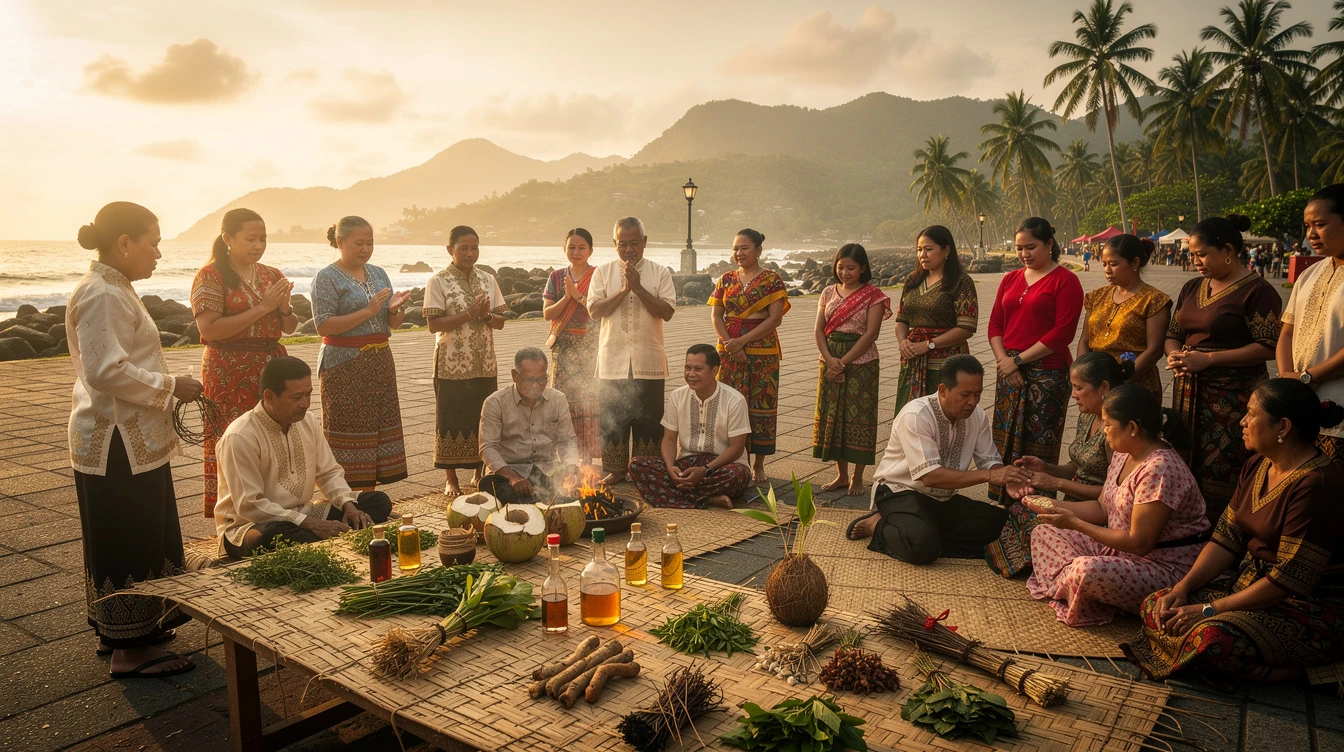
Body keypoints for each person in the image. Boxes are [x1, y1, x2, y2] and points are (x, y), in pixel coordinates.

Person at [1121, 380, 1344, 689]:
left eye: (1251, 414)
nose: (1242, 421)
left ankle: (1309, 674)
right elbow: (1226, 539)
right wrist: (1183, 589)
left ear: (1283, 426)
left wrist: (1207, 610)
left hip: (1308, 606)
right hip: (1251, 586)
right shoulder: (1257, 465)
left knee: (1214, 640)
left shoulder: (1316, 485)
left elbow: (1289, 580)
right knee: (1157, 605)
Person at [68, 202, 203, 678]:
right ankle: (129, 651)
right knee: (128, 538)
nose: (159, 253)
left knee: (139, 535)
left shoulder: (114, 287)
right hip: (117, 441)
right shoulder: (103, 293)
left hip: (129, 437)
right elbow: (106, 371)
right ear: (124, 243)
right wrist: (172, 385)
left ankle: (126, 632)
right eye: (154, 242)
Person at [1025, 385, 1210, 626]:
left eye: (1108, 424)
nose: (1104, 430)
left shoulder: (1159, 469)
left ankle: (1078, 586)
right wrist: (1050, 506)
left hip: (1163, 566)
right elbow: (1103, 508)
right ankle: (1082, 589)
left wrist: (1075, 524)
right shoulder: (1124, 452)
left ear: (1132, 428)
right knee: (1043, 532)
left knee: (1084, 571)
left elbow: (1139, 543)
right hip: (1117, 551)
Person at [846, 355, 1031, 563]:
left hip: (943, 500)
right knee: (921, 546)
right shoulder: (916, 415)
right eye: (965, 395)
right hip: (900, 492)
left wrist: (1007, 478)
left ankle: (926, 531)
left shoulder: (977, 416)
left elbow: (989, 460)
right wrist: (989, 476)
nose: (973, 402)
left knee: (1008, 527)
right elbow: (930, 477)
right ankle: (878, 525)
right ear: (943, 390)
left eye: (977, 394)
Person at [214, 357, 392, 560]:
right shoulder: (240, 436)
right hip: (252, 524)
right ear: (269, 396)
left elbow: (328, 473)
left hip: (305, 514)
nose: (305, 404)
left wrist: (348, 506)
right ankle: (324, 536)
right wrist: (311, 523)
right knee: (272, 536)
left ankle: (321, 536)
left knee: (378, 502)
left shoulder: (308, 421)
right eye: (297, 397)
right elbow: (249, 504)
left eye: (308, 395)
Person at [1165, 214, 1281, 523]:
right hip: (1188, 392)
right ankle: (1187, 527)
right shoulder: (1191, 287)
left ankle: (1227, 531)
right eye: (1192, 254)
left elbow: (1268, 345)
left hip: (1232, 397)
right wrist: (1175, 356)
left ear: (1228, 250)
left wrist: (1209, 360)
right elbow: (1174, 334)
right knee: (1185, 454)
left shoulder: (1257, 291)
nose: (1195, 261)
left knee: (1228, 463)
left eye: (1202, 254)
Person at [190, 208, 296, 518]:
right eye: (250, 239)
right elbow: (209, 329)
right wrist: (263, 307)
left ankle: (279, 509)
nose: (258, 245)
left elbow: (289, 327)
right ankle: (235, 516)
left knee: (274, 435)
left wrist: (284, 307)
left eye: (263, 239)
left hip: (270, 367)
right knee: (234, 439)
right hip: (228, 369)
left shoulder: (272, 274)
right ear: (228, 238)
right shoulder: (211, 275)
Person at [985, 351, 1128, 578]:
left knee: (1036, 522)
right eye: (1073, 387)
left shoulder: (1115, 431)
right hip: (1076, 501)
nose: (1073, 395)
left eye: (1079, 388)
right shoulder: (1088, 416)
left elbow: (1113, 496)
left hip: (1100, 512)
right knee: (1021, 507)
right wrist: (1046, 468)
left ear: (1104, 387)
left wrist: (1056, 483)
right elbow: (1078, 465)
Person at [986, 218, 1085, 504]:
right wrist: (1005, 361)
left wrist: (1017, 361)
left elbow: (1062, 333)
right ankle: (1005, 502)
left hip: (1048, 374)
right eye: (1019, 248)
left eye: (1031, 247)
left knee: (1039, 443)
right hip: (1008, 371)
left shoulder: (1066, 280)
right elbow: (995, 325)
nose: (1024, 254)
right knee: (1005, 437)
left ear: (1049, 244)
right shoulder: (1010, 279)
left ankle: (1038, 505)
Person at [311, 216, 410, 490]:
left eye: (370, 243)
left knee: (378, 426)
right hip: (344, 364)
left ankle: (369, 496)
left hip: (380, 361)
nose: (365, 249)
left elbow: (393, 324)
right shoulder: (326, 277)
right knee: (347, 427)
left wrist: (395, 310)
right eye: (359, 243)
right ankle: (344, 497)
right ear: (340, 242)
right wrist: (368, 311)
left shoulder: (379, 273)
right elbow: (323, 325)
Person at [586, 217, 676, 484]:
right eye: (622, 244)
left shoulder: (660, 272)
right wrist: (625, 291)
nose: (628, 249)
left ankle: (645, 470)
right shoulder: (602, 272)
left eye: (634, 243)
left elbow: (667, 311)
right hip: (612, 360)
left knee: (649, 419)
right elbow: (594, 311)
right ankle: (615, 469)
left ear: (644, 242)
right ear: (614, 244)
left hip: (649, 360)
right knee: (613, 418)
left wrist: (638, 288)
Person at [423, 225, 507, 495]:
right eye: (464, 249)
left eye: (475, 248)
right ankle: (451, 479)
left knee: (484, 418)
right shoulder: (438, 281)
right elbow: (434, 325)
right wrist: (469, 314)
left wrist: (486, 316)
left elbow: (501, 321)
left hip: (485, 362)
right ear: (450, 250)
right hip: (452, 364)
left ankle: (478, 473)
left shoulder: (488, 279)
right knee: (451, 419)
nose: (470, 253)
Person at [710, 228, 790, 482]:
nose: (739, 253)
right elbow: (716, 315)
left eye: (744, 248)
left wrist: (742, 342)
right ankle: (730, 457)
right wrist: (730, 344)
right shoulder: (725, 279)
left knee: (761, 405)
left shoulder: (772, 280)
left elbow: (774, 319)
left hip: (762, 351)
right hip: (728, 349)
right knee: (728, 404)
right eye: (735, 248)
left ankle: (758, 464)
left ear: (758, 250)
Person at [628, 345, 752, 509]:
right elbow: (669, 439)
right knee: (637, 465)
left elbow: (737, 448)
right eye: (687, 368)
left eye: (698, 369)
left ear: (714, 370)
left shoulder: (734, 400)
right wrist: (671, 467)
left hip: (722, 465)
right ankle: (708, 499)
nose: (691, 374)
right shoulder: (677, 396)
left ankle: (674, 494)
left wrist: (705, 470)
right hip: (687, 463)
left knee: (736, 476)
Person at [813, 244, 891, 496]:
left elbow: (871, 334)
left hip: (861, 363)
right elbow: (819, 329)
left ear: (863, 268)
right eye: (841, 267)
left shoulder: (873, 296)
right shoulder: (827, 292)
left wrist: (843, 362)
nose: (845, 273)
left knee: (859, 419)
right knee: (834, 417)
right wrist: (829, 359)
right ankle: (842, 475)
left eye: (851, 268)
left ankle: (858, 477)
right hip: (829, 359)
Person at [1277, 184, 1344, 463]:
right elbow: (1287, 332)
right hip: (1299, 405)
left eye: (1320, 224)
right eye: (1307, 226)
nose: (1311, 234)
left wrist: (1309, 377)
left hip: (1338, 407)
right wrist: (1287, 378)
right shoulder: (1310, 274)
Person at [477, 348, 581, 503]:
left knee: (576, 489)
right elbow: (487, 448)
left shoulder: (558, 399)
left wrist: (571, 468)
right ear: (515, 375)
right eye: (529, 380)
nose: (536, 385)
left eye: (541, 379)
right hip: (509, 472)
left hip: (548, 470)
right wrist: (513, 477)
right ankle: (545, 502)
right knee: (489, 486)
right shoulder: (495, 403)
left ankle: (538, 502)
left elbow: (567, 440)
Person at [892, 225, 977, 415]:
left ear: (946, 250)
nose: (922, 255)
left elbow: (966, 327)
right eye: (919, 249)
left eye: (928, 249)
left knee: (943, 415)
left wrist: (929, 344)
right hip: (913, 360)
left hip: (947, 363)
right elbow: (902, 319)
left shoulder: (961, 282)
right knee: (912, 416)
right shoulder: (912, 281)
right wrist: (903, 342)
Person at [1077, 234, 1172, 399]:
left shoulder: (1154, 300)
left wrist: (1118, 383)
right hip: (1097, 384)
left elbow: (1154, 350)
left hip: (1134, 386)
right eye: (1104, 264)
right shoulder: (1096, 296)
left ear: (1134, 263)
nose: (1107, 270)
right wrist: (1084, 376)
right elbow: (1085, 341)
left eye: (1113, 264)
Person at [541, 228, 601, 464]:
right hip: (563, 348)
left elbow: (599, 312)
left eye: (581, 247)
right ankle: (566, 457)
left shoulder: (598, 276)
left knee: (589, 399)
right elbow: (547, 313)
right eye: (571, 247)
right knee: (562, 400)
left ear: (590, 250)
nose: (576, 252)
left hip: (590, 346)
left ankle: (586, 460)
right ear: (564, 249)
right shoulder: (556, 277)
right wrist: (567, 297)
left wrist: (577, 295)